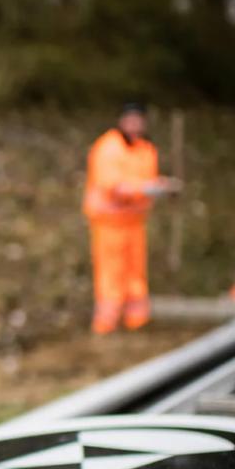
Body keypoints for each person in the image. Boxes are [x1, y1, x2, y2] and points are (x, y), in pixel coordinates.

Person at [83, 103, 182, 335]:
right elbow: (113, 186)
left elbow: (148, 181)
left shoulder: (146, 149)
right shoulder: (108, 147)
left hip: (135, 222)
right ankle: (106, 324)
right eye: (130, 120)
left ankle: (136, 321)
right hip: (109, 222)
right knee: (111, 273)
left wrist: (163, 186)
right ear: (122, 121)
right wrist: (147, 188)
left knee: (135, 272)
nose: (135, 125)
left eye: (139, 120)